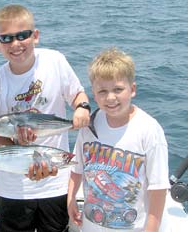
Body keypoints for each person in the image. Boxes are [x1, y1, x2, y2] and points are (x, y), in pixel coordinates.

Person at [0, 4, 90, 232]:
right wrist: (14, 143)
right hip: (13, 186)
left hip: (55, 183)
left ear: (36, 36)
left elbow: (78, 94)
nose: (16, 44)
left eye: (22, 35)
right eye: (7, 38)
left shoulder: (54, 61)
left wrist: (81, 107)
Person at [67, 47, 170, 231]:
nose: (110, 97)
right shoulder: (89, 126)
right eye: (102, 91)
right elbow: (77, 167)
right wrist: (71, 198)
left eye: (118, 89)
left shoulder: (149, 130)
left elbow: (158, 188)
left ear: (133, 89)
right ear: (94, 93)